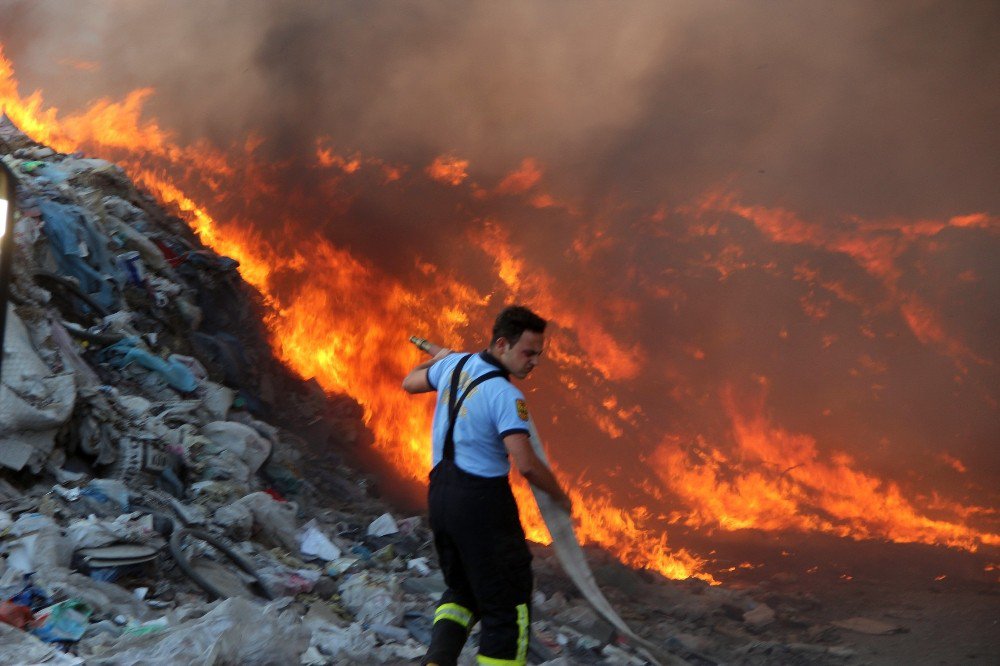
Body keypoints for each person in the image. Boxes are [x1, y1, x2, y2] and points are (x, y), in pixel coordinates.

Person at [402, 305, 572, 666]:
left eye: (538, 354)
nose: (534, 362)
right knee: (508, 610)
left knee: (462, 591)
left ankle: (437, 661)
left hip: (442, 499)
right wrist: (560, 495)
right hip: (483, 507)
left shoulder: (453, 366)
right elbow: (525, 464)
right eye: (528, 353)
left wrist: (441, 361)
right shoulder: (506, 395)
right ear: (501, 344)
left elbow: (409, 382)